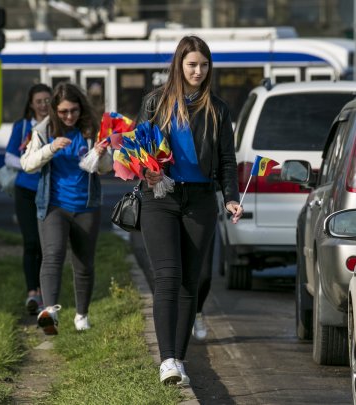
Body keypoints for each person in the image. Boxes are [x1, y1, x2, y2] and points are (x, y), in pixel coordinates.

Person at [137, 35, 242, 386]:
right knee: (167, 278)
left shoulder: (218, 108)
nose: (198, 71)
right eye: (192, 64)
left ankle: (179, 360)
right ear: (179, 65)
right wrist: (146, 170)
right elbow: (138, 150)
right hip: (160, 198)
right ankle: (166, 360)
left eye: (204, 64)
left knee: (190, 284)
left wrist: (230, 196)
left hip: (200, 201)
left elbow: (227, 159)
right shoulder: (156, 103)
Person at [20, 82, 113, 335]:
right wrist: (50, 148)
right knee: (53, 255)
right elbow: (27, 164)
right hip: (54, 205)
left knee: (84, 263)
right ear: (54, 110)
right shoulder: (42, 130)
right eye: (63, 112)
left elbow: (105, 169)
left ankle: (82, 315)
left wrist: (101, 154)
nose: (69, 116)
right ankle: (50, 312)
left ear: (81, 109)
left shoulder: (91, 130)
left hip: (86, 205)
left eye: (74, 110)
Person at [4, 83, 52, 316]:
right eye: (39, 101)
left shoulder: (57, 126)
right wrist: (30, 163)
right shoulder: (22, 127)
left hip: (50, 190)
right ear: (31, 104)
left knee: (47, 244)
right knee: (31, 241)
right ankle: (32, 292)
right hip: (25, 190)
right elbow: (9, 157)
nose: (43, 105)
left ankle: (45, 293)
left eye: (47, 100)